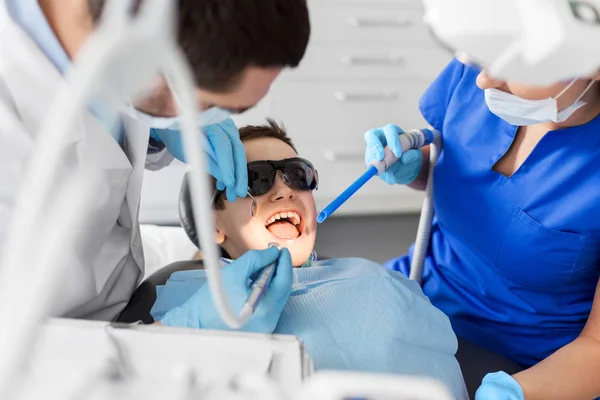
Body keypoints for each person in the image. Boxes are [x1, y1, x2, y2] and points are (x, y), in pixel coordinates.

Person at [0, 0, 309, 323]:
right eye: (214, 105)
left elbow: (110, 138)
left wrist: (159, 133)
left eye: (299, 175)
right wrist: (176, 332)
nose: (285, 190)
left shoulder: (116, 46)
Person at [150, 120, 469, 400]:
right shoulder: (190, 301)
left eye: (297, 174)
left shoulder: (378, 279)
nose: (284, 191)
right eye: (256, 179)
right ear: (213, 226)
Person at [364, 57, 600, 399]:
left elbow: (596, 347)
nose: (484, 81)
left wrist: (516, 391)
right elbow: (452, 163)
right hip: (419, 293)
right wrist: (410, 165)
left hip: (533, 365)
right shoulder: (474, 70)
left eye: (514, 64)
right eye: (483, 55)